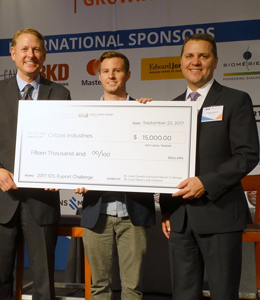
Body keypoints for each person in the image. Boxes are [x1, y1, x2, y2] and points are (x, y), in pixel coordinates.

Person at [156, 33, 259, 300]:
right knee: (183, 295)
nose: (196, 62)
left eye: (203, 56)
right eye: (189, 56)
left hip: (220, 214)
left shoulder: (236, 100)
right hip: (180, 219)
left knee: (224, 294)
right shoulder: (171, 107)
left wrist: (206, 182)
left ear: (215, 61)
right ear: (181, 61)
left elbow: (246, 155)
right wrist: (167, 211)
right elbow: (167, 162)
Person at [0, 28, 71, 300]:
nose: (31, 55)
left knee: (44, 281)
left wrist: (58, 174)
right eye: (25, 49)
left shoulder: (60, 94)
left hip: (42, 202)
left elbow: (67, 145)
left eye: (36, 49)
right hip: (1, 199)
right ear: (13, 53)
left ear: (45, 55)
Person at [74, 50, 156, 300]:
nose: (111, 75)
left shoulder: (145, 112)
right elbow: (75, 156)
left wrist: (154, 118)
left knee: (133, 289)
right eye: (106, 71)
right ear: (99, 76)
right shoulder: (83, 116)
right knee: (98, 287)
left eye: (117, 70)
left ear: (128, 74)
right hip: (96, 212)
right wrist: (75, 178)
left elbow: (156, 158)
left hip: (134, 213)